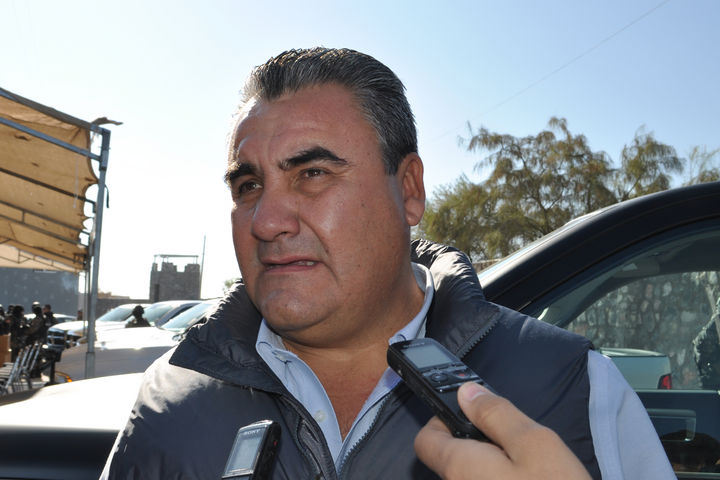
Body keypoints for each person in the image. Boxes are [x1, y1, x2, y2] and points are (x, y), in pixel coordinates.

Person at [102, 48, 672, 479]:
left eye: (313, 174)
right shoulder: (168, 401)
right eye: (248, 185)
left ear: (409, 190)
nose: (267, 220)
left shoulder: (577, 388)